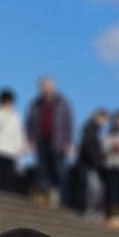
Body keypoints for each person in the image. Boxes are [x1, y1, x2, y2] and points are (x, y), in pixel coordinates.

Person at [25, 76, 74, 206]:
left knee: (58, 170)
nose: (45, 88)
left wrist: (68, 142)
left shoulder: (62, 102)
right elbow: (29, 122)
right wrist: (30, 139)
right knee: (42, 169)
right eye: (43, 86)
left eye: (47, 85)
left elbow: (68, 122)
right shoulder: (36, 103)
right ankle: (43, 196)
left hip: (58, 142)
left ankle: (60, 200)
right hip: (41, 140)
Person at [0, 88, 25, 193]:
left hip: (10, 152)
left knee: (8, 178)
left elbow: (18, 134)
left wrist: (20, 148)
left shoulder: (15, 117)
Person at [73, 108, 108, 217]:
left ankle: (90, 210)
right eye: (102, 118)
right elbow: (88, 147)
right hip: (89, 163)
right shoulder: (90, 129)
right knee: (92, 188)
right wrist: (98, 159)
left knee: (95, 188)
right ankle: (88, 210)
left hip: (92, 163)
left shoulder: (95, 130)